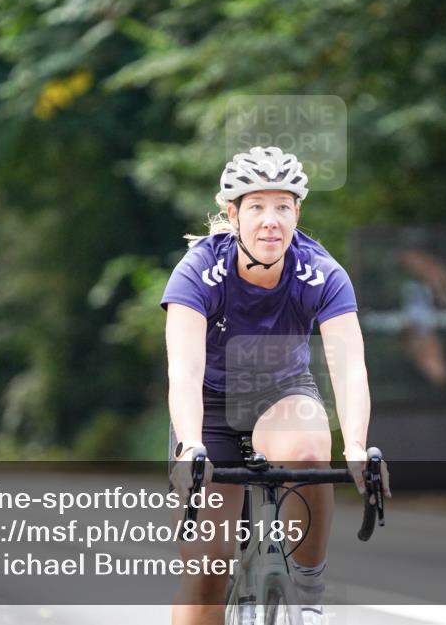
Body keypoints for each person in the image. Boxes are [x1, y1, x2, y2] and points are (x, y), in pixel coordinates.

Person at [161, 146, 391, 625]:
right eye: (257, 206)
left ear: (297, 212)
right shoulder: (199, 271)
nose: (271, 220)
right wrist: (189, 447)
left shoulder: (321, 272)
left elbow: (349, 368)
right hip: (210, 409)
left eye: (283, 206)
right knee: (208, 570)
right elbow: (182, 369)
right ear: (233, 213)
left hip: (282, 397)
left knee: (308, 449)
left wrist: (354, 446)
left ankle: (307, 594)